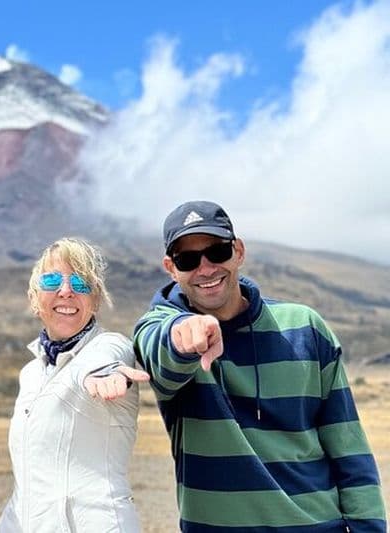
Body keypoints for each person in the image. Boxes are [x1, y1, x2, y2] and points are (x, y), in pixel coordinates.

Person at [133, 200, 387, 532]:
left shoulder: (305, 327)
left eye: (218, 252)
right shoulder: (159, 328)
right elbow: (160, 355)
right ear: (171, 267)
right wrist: (185, 337)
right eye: (188, 259)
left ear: (238, 251)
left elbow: (348, 448)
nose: (206, 268)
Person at [0, 237, 150, 533]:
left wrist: (105, 373)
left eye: (81, 284)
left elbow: (105, 359)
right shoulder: (31, 372)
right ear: (34, 296)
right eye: (53, 280)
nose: (66, 291)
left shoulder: (109, 346)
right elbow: (29, 486)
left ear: (95, 300)